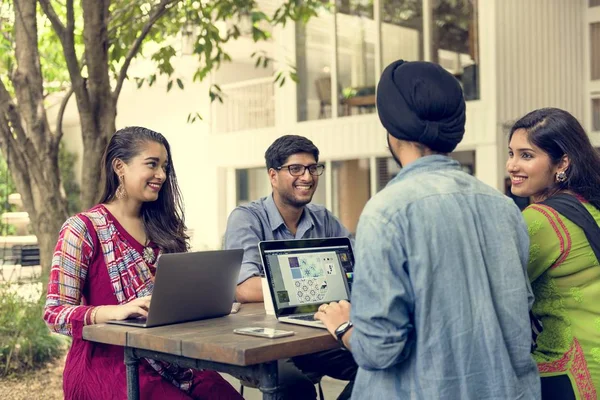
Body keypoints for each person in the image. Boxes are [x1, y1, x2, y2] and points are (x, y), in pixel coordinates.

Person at [314, 60, 541, 399]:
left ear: (391, 129)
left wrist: (344, 325)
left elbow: (379, 350)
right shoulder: (504, 207)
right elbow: (519, 321)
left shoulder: (387, 211)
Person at [43, 127, 242, 400]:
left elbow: (175, 304)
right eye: (152, 164)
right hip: (109, 364)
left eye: (165, 167)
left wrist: (208, 303)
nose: (161, 175)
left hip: (174, 360)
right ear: (119, 167)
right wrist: (114, 312)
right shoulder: (82, 229)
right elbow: (55, 315)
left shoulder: (165, 229)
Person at [224, 134, 357, 400]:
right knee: (295, 387)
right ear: (273, 176)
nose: (307, 177)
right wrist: (318, 288)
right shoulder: (246, 218)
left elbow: (357, 270)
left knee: (380, 364)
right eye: (295, 168)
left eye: (312, 168)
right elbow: (244, 288)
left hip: (316, 331)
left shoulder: (323, 219)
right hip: (264, 340)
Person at [506, 108, 600, 399]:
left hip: (569, 375)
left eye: (526, 155)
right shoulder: (590, 206)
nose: (512, 165)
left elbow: (495, 293)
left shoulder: (540, 220)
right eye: (511, 153)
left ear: (563, 162)